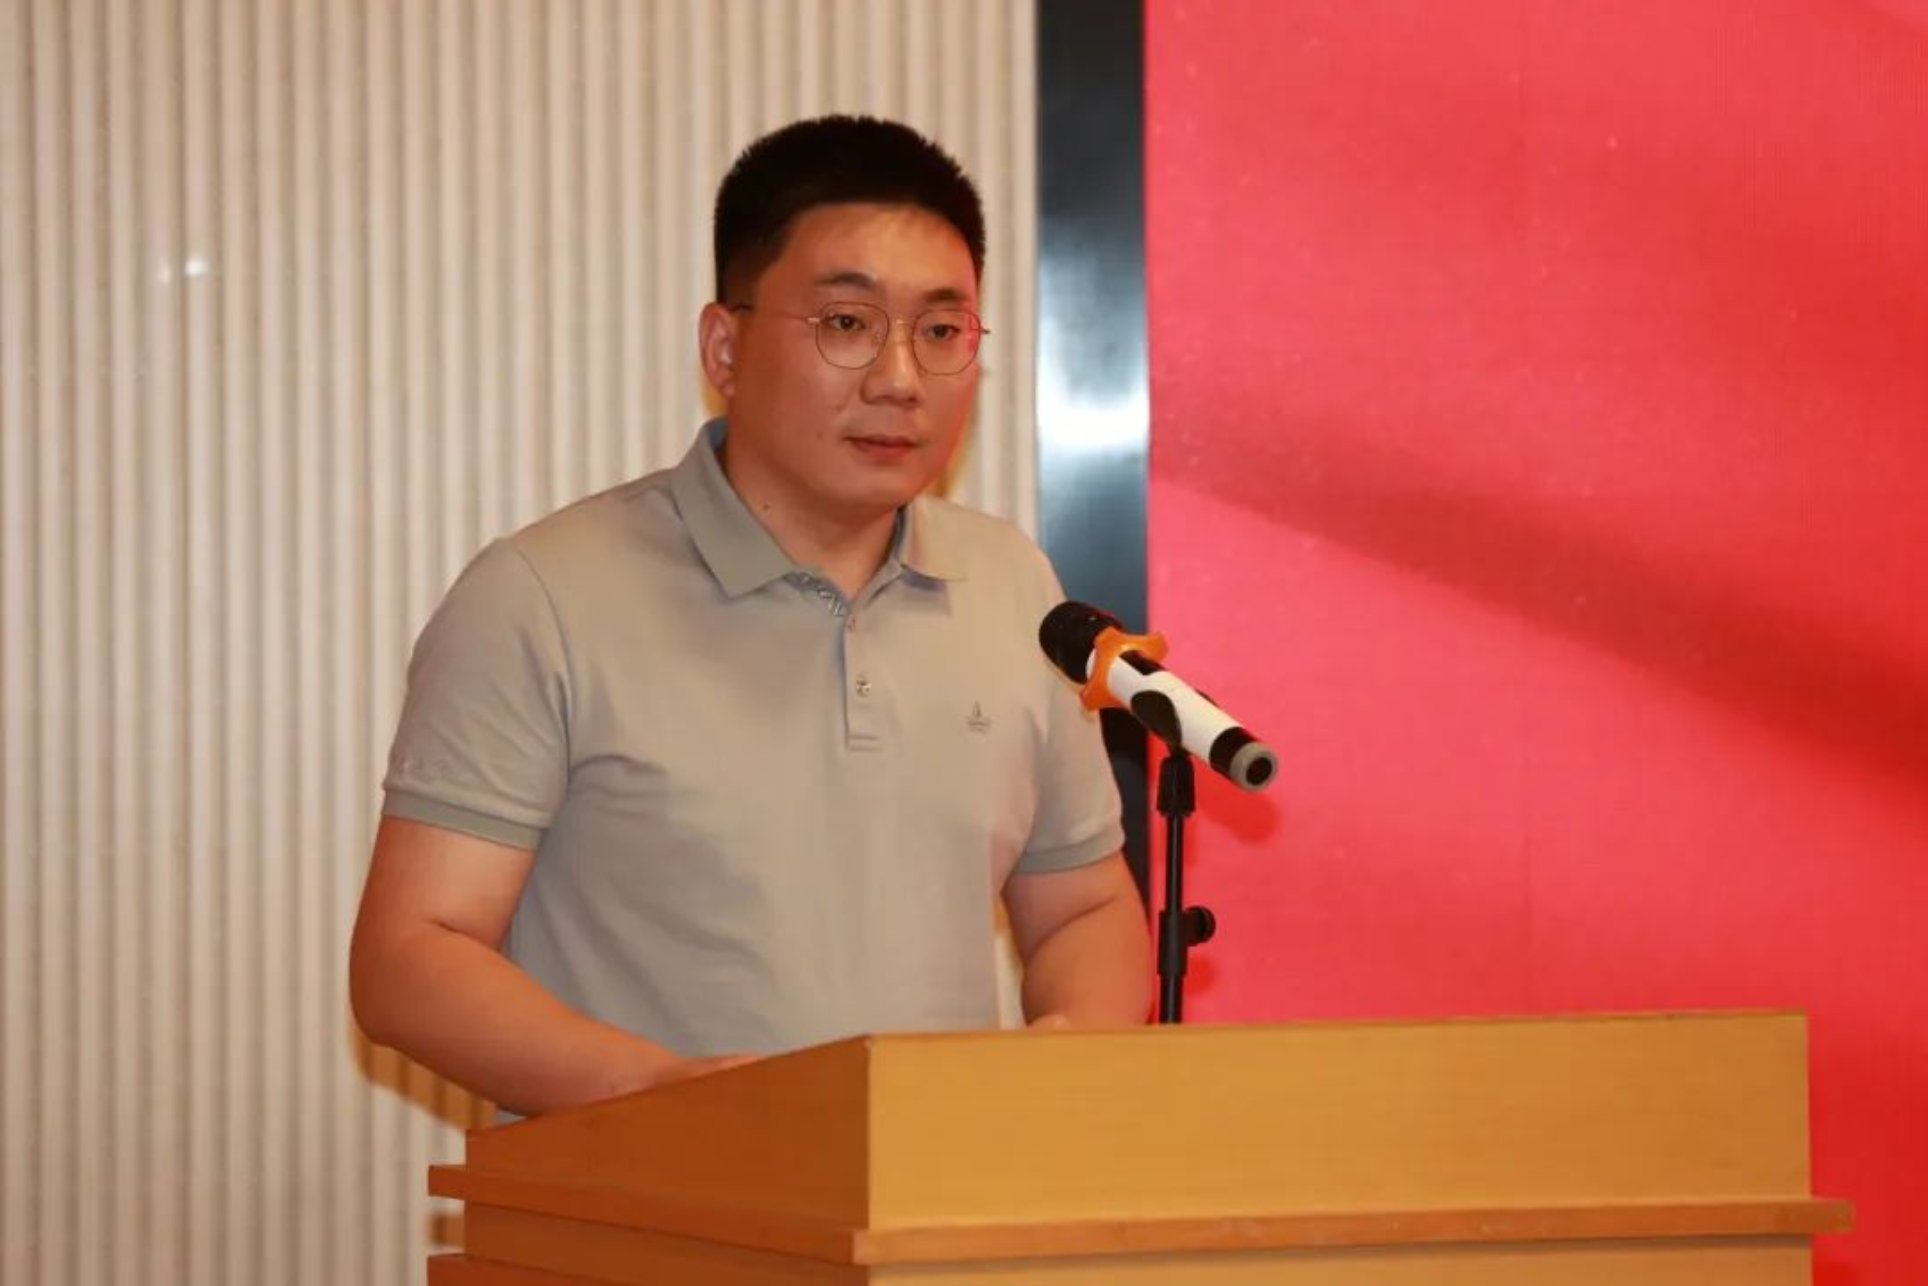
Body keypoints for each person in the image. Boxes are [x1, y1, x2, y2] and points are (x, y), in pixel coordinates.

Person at [348, 115, 1151, 1118]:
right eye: (847, 324)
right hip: (654, 1199)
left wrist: (1061, 1063)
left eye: (941, 332)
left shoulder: (1012, 585)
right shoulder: (543, 596)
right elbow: (411, 955)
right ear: (724, 348)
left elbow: (1082, 904)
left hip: (937, 1204)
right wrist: (663, 1095)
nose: (899, 378)